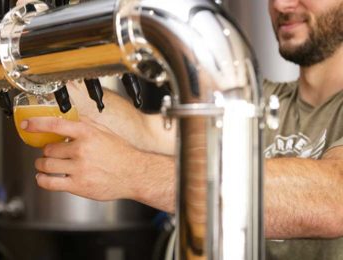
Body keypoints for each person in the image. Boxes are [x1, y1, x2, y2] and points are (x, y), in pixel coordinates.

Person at [19, 0, 343, 259]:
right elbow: (146, 132)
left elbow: (334, 198)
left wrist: (135, 172)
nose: (282, 5)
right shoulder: (256, 98)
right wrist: (32, 65)